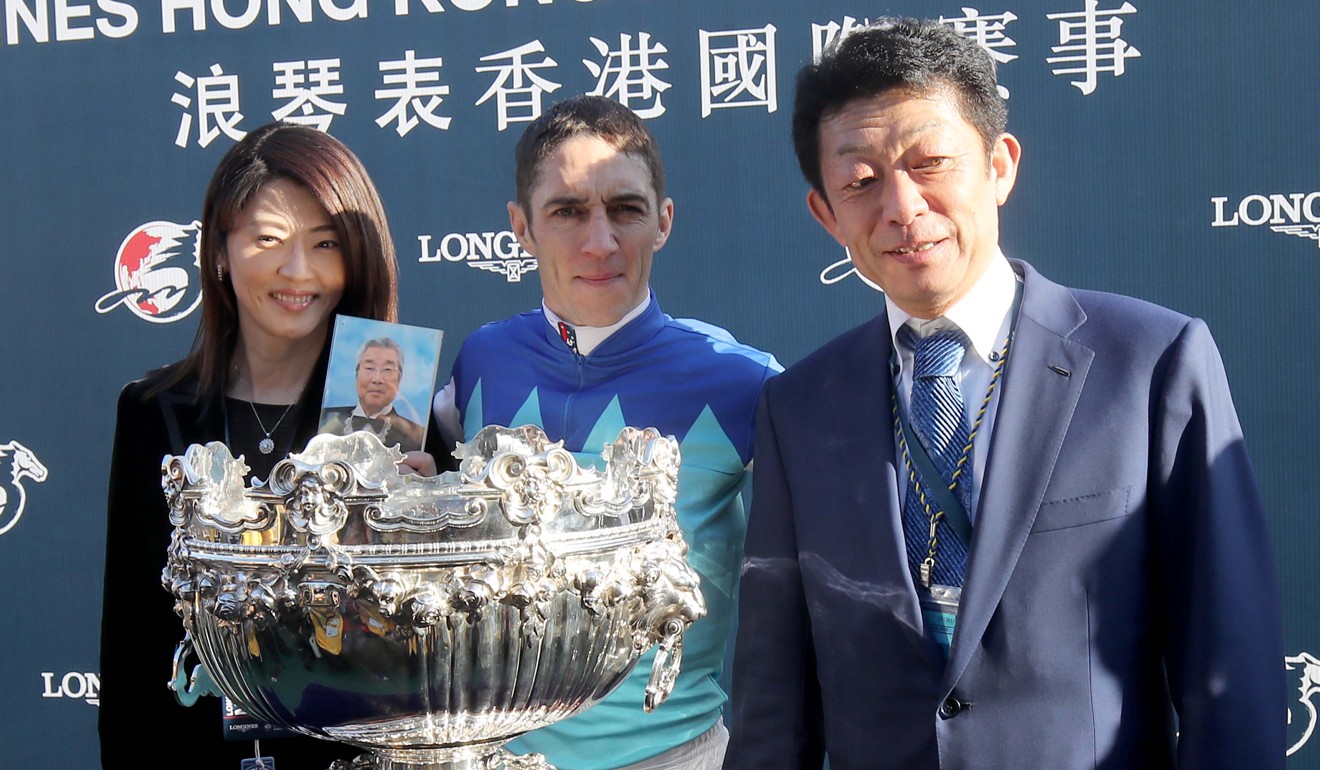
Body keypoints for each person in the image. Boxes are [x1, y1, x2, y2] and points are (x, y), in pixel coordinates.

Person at [724, 18, 1284, 770]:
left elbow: (1231, 669)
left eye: (931, 163)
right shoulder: (798, 408)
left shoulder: (1149, 364)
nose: (902, 206)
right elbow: (772, 703)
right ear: (826, 213)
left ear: (999, 165)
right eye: (860, 183)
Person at [433, 94, 780, 770]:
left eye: (625, 209)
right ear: (521, 228)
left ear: (663, 221)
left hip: (679, 755)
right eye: (567, 211)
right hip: (494, 755)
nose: (600, 242)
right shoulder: (481, 361)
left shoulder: (744, 379)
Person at [99, 122, 405, 769]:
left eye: (325, 243)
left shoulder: (394, 421)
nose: (299, 271)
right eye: (269, 239)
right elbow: (131, 650)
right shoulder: (152, 414)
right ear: (219, 250)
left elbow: (423, 659)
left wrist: (421, 520)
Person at [320, 337, 426, 451]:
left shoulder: (415, 437)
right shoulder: (327, 419)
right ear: (356, 375)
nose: (377, 379)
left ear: (399, 379)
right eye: (369, 368)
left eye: (387, 369)